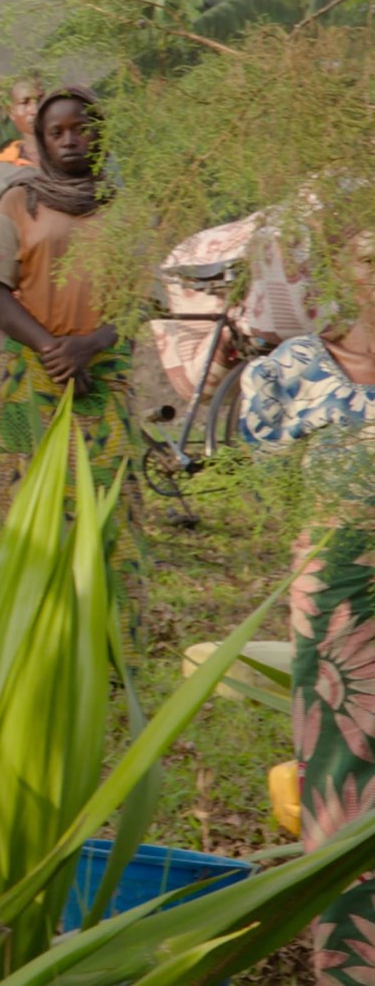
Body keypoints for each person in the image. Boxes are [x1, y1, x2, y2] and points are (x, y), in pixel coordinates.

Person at [240, 229, 375, 986]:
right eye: (372, 259)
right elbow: (277, 500)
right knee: (341, 789)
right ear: (346, 268)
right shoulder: (292, 374)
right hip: (342, 621)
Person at [0, 88, 147, 601]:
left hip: (101, 378)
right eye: (57, 132)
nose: (71, 140)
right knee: (18, 504)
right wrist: (53, 348)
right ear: (41, 141)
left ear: (102, 134)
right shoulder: (18, 200)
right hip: (30, 376)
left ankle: (102, 649)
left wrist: (87, 346)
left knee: (105, 505)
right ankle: (18, 637)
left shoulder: (125, 208)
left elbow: (139, 298)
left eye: (82, 128)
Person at [0, 77, 45, 227]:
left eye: (40, 100)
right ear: (11, 112)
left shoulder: (70, 160)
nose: (34, 110)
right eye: (25, 102)